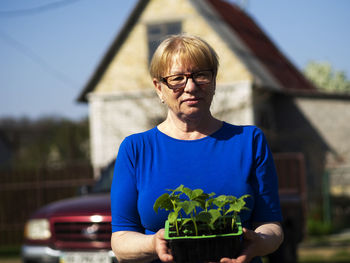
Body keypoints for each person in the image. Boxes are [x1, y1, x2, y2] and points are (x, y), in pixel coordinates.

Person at [110, 34, 284, 263]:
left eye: (201, 75)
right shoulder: (136, 149)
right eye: (177, 78)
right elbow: (121, 239)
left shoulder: (248, 141)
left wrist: (257, 243)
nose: (190, 86)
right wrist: (153, 243)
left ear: (213, 82)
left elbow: (271, 225)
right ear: (159, 88)